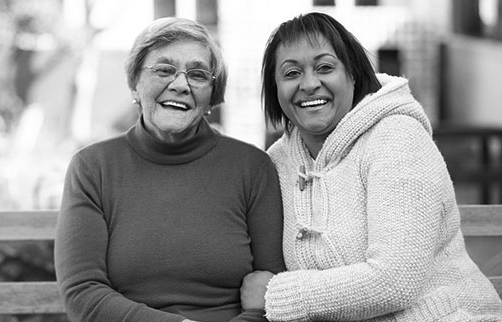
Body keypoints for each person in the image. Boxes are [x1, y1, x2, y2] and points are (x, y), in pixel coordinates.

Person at [240, 12, 502, 321]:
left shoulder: (396, 137)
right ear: (275, 89)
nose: (309, 84)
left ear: (353, 75)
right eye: (291, 73)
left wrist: (276, 293)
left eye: (325, 67)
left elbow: (396, 281)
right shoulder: (277, 163)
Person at [55, 17, 285, 322]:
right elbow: (83, 293)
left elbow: (272, 291)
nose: (180, 84)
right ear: (135, 83)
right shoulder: (92, 168)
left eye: (198, 74)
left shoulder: (252, 168)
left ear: (211, 98)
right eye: (164, 70)